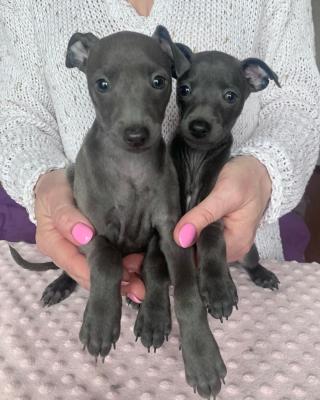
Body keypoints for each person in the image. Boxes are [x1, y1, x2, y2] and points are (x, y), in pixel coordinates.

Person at [1, 0, 319, 303]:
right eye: (185, 88)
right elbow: (15, 113)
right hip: (96, 243)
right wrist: (40, 181)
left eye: (158, 80)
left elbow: (300, 103)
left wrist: (266, 173)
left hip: (240, 252)